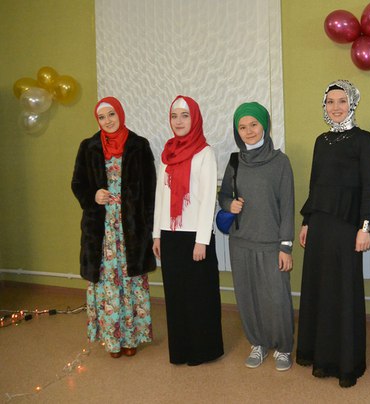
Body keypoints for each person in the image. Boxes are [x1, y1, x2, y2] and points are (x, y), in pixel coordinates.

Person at [296, 80, 370, 388]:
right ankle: (318, 353)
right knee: (319, 288)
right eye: (330, 101)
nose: (336, 107)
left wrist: (365, 227)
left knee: (343, 291)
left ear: (352, 104)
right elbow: (315, 184)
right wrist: (307, 222)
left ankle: (345, 362)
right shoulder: (321, 141)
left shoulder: (364, 140)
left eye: (341, 101)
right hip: (319, 225)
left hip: (347, 227)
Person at [71, 96, 156, 358]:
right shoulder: (88, 147)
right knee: (107, 282)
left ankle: (131, 338)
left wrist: (150, 229)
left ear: (120, 114)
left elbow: (150, 190)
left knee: (130, 280)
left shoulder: (139, 146)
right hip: (102, 230)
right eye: (102, 117)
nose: (107, 120)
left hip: (132, 229)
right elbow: (78, 184)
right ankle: (112, 338)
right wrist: (93, 196)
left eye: (111, 114)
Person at [218, 102, 295, 371]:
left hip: (272, 244)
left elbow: (287, 206)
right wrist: (229, 205)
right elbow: (223, 195)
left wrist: (286, 246)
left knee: (277, 298)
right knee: (248, 297)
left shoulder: (280, 162)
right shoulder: (234, 162)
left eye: (253, 124)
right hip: (240, 242)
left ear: (265, 126)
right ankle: (257, 343)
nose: (248, 131)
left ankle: (283, 348)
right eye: (242, 127)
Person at [152, 95, 223, 366]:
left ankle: (203, 351)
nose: (179, 121)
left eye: (185, 115)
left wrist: (201, 240)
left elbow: (207, 199)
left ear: (194, 119)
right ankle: (181, 351)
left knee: (199, 295)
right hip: (170, 235)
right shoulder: (167, 154)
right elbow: (160, 196)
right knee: (176, 296)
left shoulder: (205, 153)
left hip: (196, 236)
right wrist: (157, 234)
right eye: (174, 116)